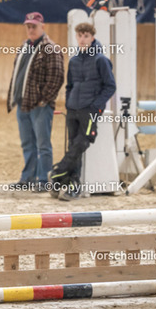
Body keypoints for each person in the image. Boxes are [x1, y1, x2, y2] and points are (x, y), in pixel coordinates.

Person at [49, 22, 116, 201]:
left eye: (86, 36)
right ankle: (71, 185)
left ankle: (59, 172)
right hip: (73, 109)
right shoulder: (74, 61)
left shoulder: (101, 60)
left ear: (92, 38)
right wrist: (69, 103)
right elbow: (69, 86)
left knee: (82, 142)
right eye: (80, 35)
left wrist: (96, 106)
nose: (82, 39)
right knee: (73, 146)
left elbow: (110, 86)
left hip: (90, 109)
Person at [7, 12, 64, 191]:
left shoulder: (51, 48)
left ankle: (43, 180)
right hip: (22, 103)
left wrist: (43, 100)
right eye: (28, 26)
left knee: (42, 145)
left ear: (42, 27)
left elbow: (57, 78)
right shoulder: (25, 46)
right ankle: (28, 178)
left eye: (34, 26)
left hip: (40, 106)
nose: (31, 29)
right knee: (27, 144)